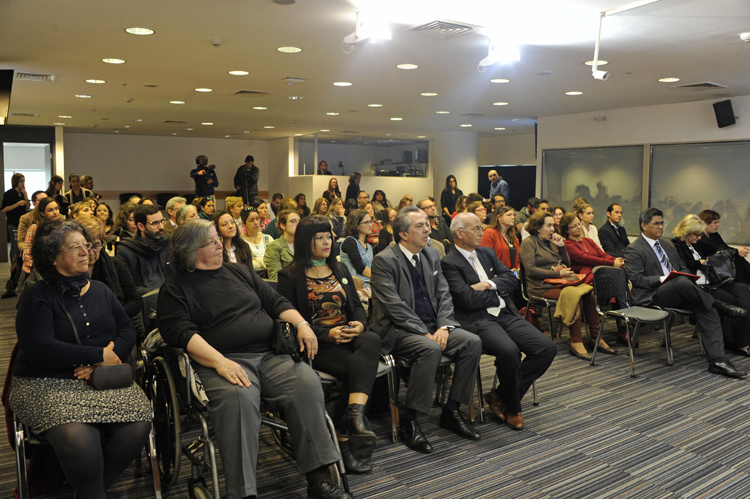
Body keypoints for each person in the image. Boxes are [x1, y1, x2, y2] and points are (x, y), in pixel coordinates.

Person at [157, 219, 352, 499]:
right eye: (211, 242)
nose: (219, 245)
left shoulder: (239, 272)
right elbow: (180, 333)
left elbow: (276, 303)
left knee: (306, 384)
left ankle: (319, 479)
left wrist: (303, 325)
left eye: (217, 239)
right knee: (239, 399)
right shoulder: (175, 289)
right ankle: (243, 492)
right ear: (190, 251)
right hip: (219, 361)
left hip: (268, 353)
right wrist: (219, 362)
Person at [10, 220, 152, 498]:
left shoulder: (100, 289)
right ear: (52, 256)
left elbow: (126, 329)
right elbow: (40, 347)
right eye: (75, 247)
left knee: (139, 423)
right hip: (47, 383)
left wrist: (107, 359)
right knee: (79, 437)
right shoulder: (36, 296)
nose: (85, 252)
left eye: (86, 246)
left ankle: (90, 492)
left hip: (104, 379)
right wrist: (97, 354)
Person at [370, 206, 483, 453]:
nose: (427, 228)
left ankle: (451, 410)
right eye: (419, 225)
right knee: (430, 348)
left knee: (472, 342)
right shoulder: (384, 260)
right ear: (403, 234)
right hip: (397, 331)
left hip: (434, 327)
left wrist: (443, 326)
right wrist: (424, 332)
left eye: (427, 224)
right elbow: (393, 306)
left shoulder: (431, 254)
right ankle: (409, 420)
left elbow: (444, 294)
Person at [277, 215, 382, 474]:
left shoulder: (339, 268)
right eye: (320, 237)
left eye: (330, 236)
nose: (328, 242)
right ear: (305, 241)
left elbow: (356, 307)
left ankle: (351, 417)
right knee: (359, 371)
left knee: (371, 338)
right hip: (317, 343)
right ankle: (345, 434)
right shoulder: (289, 275)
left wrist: (359, 324)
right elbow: (289, 320)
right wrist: (327, 335)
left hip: (348, 335)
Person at [442, 213, 556, 430]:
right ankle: (513, 407)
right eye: (476, 229)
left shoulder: (486, 252)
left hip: (505, 314)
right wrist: (497, 289)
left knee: (546, 348)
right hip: (479, 319)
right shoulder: (449, 263)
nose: (481, 233)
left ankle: (499, 395)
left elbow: (511, 279)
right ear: (459, 233)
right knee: (509, 351)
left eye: (481, 228)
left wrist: (487, 285)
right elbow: (466, 299)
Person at [624, 208, 746, 378]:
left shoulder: (668, 245)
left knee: (706, 308)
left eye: (662, 223)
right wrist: (665, 278)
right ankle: (720, 305)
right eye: (656, 224)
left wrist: (684, 276)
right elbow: (637, 280)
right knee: (681, 282)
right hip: (653, 295)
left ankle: (718, 361)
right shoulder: (634, 249)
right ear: (644, 225)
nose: (661, 227)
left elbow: (682, 267)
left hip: (680, 291)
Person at [520, 211, 614, 360]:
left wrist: (561, 246)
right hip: (540, 286)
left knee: (589, 294)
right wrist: (558, 275)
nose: (553, 229)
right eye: (549, 225)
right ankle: (576, 341)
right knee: (575, 296)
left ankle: (596, 337)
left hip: (561, 283)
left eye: (553, 225)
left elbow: (567, 264)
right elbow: (530, 271)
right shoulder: (529, 243)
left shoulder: (552, 241)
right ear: (538, 227)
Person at [672, 214, 750, 356]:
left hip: (711, 281)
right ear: (687, 232)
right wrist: (700, 262)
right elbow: (681, 265)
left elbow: (716, 246)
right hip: (698, 287)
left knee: (743, 289)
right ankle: (739, 343)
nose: (699, 238)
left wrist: (723, 251)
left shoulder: (696, 243)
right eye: (697, 235)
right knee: (733, 302)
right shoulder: (676, 244)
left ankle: (744, 339)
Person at [77, 216, 143, 330]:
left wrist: (112, 316)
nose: (92, 252)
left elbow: (135, 301)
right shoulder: (70, 272)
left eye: (97, 245)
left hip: (117, 325)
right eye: (87, 246)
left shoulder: (114, 265)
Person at [116, 204, 172, 331]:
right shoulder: (125, 250)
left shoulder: (168, 244)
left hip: (171, 300)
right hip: (141, 305)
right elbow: (127, 288)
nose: (161, 227)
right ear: (140, 226)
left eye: (162, 221)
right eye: (155, 223)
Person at [561, 213, 624, 283]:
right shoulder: (567, 244)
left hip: (598, 272)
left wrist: (616, 260)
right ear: (566, 230)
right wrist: (612, 263)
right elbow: (586, 259)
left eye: (579, 224)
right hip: (585, 277)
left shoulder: (588, 240)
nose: (578, 227)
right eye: (574, 226)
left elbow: (602, 255)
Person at [695, 209, 750, 284]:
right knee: (737, 261)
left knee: (739, 258)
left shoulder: (715, 235)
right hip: (713, 265)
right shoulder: (698, 237)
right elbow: (714, 249)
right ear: (705, 223)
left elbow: (724, 247)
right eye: (715, 223)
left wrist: (738, 251)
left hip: (721, 261)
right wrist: (736, 251)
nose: (718, 225)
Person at [19, 197, 62, 292]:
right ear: (42, 213)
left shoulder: (61, 227)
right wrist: (38, 267)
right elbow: (27, 251)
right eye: (51, 210)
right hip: (35, 269)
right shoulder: (35, 227)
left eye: (56, 208)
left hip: (55, 268)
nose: (55, 212)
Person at [339, 210, 374, 291]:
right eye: (366, 222)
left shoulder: (369, 246)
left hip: (369, 283)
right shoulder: (350, 241)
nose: (370, 225)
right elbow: (360, 267)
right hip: (355, 286)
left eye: (370, 221)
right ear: (356, 226)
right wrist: (380, 276)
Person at [1, 173, 30, 264]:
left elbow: (28, 207)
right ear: (16, 182)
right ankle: (13, 267)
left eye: (24, 181)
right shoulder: (9, 193)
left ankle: (20, 265)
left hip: (23, 223)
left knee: (22, 245)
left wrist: (25, 194)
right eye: (21, 181)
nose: (23, 183)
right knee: (14, 246)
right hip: (13, 223)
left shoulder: (22, 193)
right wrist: (17, 204)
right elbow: (4, 209)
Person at [264, 209, 300, 281]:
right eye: (293, 221)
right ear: (283, 225)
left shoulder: (304, 244)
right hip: (288, 287)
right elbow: (275, 278)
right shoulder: (275, 247)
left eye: (299, 221)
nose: (298, 224)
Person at [482, 206, 520, 271]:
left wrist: (518, 270)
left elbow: (518, 261)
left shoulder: (514, 238)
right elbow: (485, 258)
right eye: (509, 215)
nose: (513, 217)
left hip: (511, 275)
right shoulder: (489, 233)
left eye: (514, 215)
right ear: (499, 217)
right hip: (495, 275)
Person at [241, 206, 274, 278]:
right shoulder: (240, 242)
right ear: (243, 223)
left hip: (271, 277)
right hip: (250, 278)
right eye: (251, 220)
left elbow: (275, 262)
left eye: (257, 219)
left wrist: (257, 261)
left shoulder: (268, 238)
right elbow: (246, 266)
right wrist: (266, 262)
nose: (256, 223)